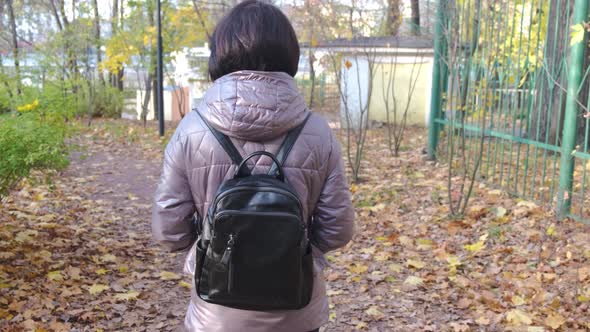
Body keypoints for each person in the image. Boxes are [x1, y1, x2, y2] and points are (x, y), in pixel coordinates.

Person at [151, 1, 354, 331]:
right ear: (289, 53)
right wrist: (290, 244)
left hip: (216, 311)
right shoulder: (318, 133)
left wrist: (211, 241)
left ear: (220, 53)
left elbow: (167, 231)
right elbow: (338, 229)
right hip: (297, 308)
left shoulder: (191, 130)